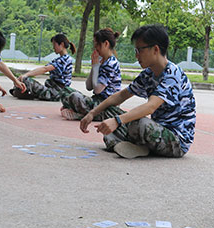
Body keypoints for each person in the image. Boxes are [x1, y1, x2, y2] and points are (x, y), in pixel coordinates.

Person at [79, 24, 196, 159]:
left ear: (155, 49)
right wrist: (92, 113)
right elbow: (122, 95)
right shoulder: (148, 73)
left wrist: (117, 121)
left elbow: (150, 107)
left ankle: (131, 144)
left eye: (139, 50)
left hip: (176, 141)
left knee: (137, 123)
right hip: (156, 130)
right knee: (108, 111)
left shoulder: (172, 75)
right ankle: (135, 146)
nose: (136, 56)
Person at [60, 28, 125, 121]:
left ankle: (82, 115)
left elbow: (98, 89)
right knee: (66, 91)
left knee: (75, 96)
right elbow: (89, 86)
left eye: (96, 44)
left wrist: (95, 66)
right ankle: (80, 111)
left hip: (106, 104)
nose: (95, 47)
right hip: (96, 100)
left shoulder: (111, 63)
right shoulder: (102, 61)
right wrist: (94, 66)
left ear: (106, 44)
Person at [10, 33, 76, 101]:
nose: (53, 48)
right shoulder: (60, 59)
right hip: (53, 90)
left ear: (61, 44)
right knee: (21, 80)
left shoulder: (65, 60)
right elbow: (45, 68)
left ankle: (23, 92)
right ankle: (22, 91)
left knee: (25, 80)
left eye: (54, 45)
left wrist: (25, 75)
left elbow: (45, 69)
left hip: (56, 93)